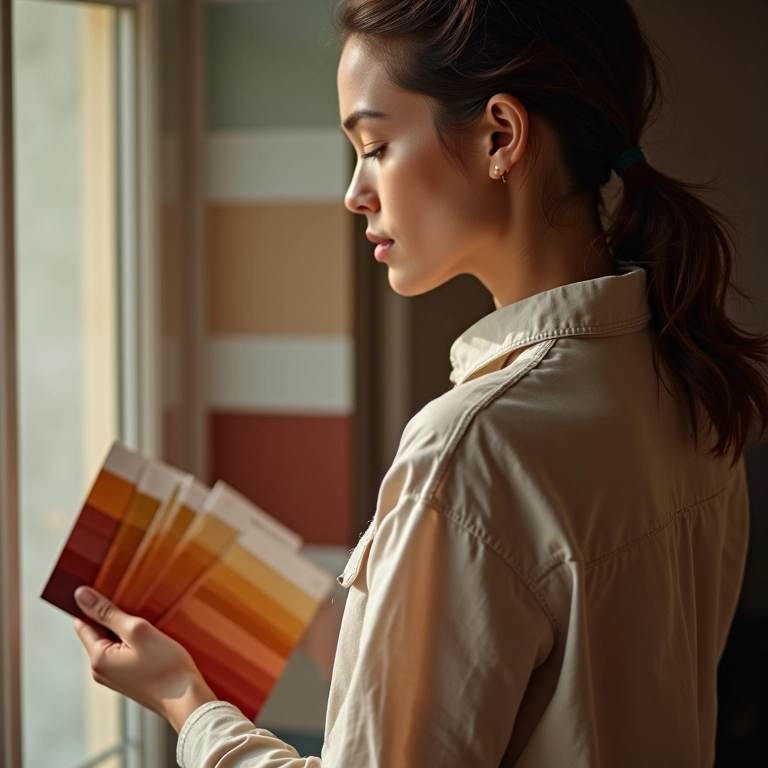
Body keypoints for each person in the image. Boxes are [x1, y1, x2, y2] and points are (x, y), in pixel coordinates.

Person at [72, 1, 768, 765]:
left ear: (500, 136)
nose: (354, 192)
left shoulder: (471, 449)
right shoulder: (688, 376)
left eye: (374, 146)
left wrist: (186, 701)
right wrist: (352, 627)